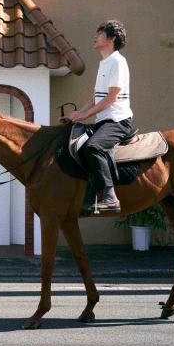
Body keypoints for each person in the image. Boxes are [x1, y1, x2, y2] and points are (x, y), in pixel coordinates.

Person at [61, 20, 133, 214]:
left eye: (99, 33)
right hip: (103, 121)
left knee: (94, 146)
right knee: (80, 145)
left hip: (118, 120)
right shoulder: (104, 63)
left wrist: (84, 114)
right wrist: (77, 115)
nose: (95, 37)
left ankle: (110, 197)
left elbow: (111, 99)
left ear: (111, 39)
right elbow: (96, 97)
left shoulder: (118, 62)